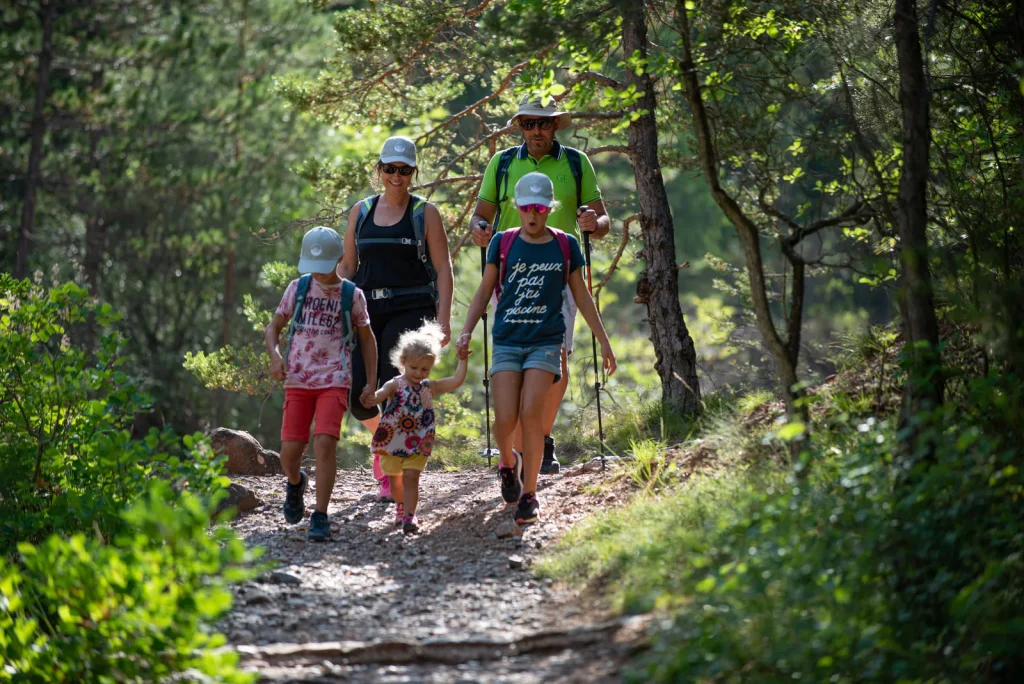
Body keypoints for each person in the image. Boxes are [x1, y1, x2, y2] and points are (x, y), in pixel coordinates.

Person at [458, 173, 616, 525]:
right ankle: (506, 464)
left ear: (549, 208)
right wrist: (466, 331)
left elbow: (581, 295)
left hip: (546, 341)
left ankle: (529, 494)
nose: (533, 214)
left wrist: (603, 342)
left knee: (531, 414)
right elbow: (485, 290)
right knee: (504, 418)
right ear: (516, 207)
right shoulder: (502, 242)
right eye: (526, 207)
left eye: (540, 208)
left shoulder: (565, 244)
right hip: (508, 341)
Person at [470, 95, 610, 475]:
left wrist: (593, 225)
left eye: (543, 123)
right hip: (509, 272)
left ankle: (539, 438)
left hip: (563, 270)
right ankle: (519, 446)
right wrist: (479, 231)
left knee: (557, 365)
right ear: (519, 127)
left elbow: (602, 217)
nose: (536, 131)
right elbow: (482, 216)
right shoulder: (501, 164)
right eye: (529, 123)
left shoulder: (576, 163)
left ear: (555, 126)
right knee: (511, 360)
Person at [340, 136, 454, 503]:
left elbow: (443, 269)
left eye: (404, 170)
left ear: (413, 173)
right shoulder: (361, 212)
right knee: (358, 398)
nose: (397, 176)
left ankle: (393, 469)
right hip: (366, 311)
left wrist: (443, 322)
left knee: (395, 392)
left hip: (411, 312)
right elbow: (347, 267)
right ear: (379, 169)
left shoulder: (425, 214)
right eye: (390, 168)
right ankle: (382, 447)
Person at [265, 226, 377, 542]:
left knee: (325, 442)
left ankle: (320, 515)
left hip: (335, 378)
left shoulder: (352, 296)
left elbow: (367, 340)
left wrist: (370, 382)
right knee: (289, 452)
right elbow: (273, 328)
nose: (319, 274)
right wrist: (275, 357)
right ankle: (295, 482)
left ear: (339, 258)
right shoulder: (296, 289)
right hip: (298, 379)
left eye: (325, 267)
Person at [364, 321, 470, 534]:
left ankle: (410, 516)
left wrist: (462, 360)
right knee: (396, 482)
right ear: (403, 362)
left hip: (419, 440)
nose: (419, 373)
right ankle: (400, 505)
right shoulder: (396, 383)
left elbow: (457, 380)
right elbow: (380, 395)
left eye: (425, 369)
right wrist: (370, 398)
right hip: (392, 440)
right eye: (414, 368)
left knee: (412, 477)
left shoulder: (429, 387)